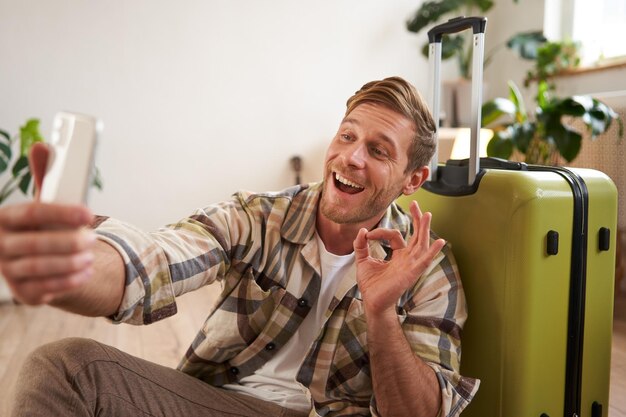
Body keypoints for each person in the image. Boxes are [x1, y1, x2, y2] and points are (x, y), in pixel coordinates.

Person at [0, 76, 479, 417]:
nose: (351, 157)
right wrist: (75, 266)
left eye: (378, 151)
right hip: (224, 404)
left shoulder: (428, 271)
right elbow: (160, 259)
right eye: (347, 135)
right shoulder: (258, 216)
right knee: (62, 370)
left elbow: (419, 413)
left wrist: (381, 313)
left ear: (412, 180)